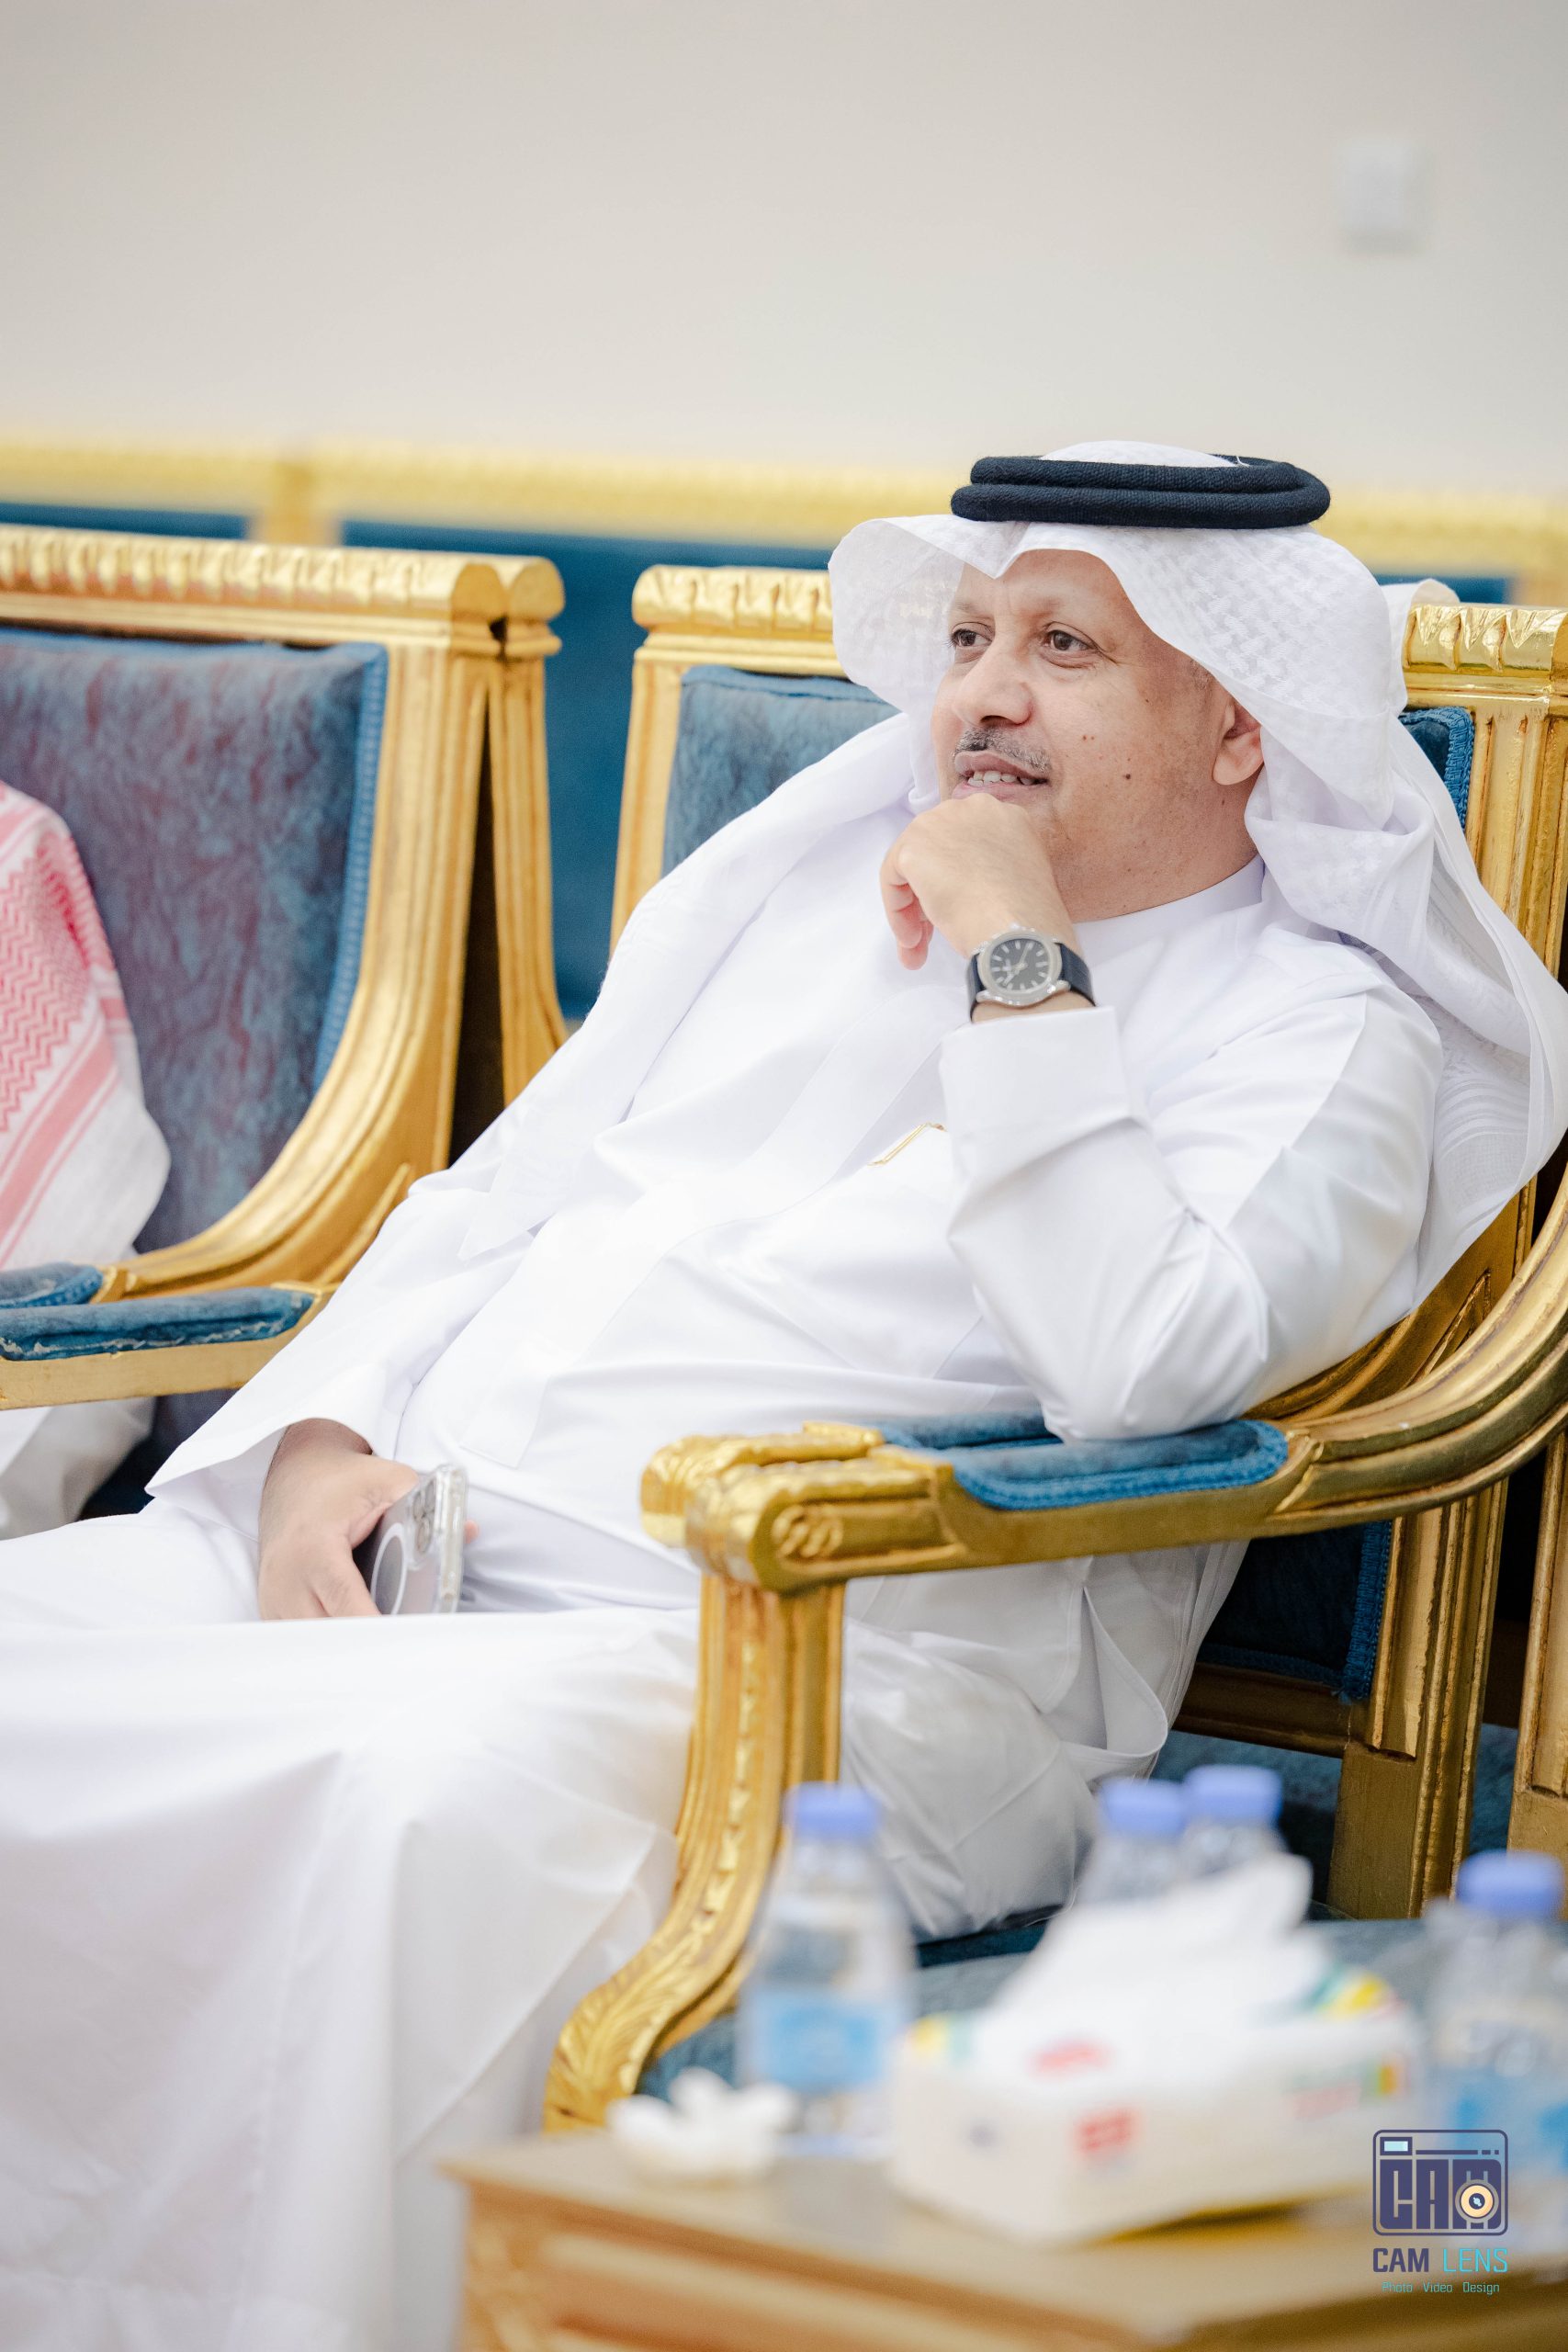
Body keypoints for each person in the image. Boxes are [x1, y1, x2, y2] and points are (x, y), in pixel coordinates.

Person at [2, 443, 1564, 2352]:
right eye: (969, 637)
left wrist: (1017, 953)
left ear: (1241, 724)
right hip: (398, 1555)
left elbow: (1135, 1361)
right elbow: (505, 1191)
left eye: (1064, 646)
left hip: (809, 1668)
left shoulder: (1320, 1028)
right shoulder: (802, 892)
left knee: (416, 1798)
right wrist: (312, 1446)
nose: (984, 692)